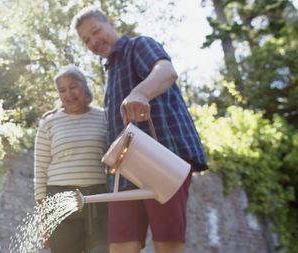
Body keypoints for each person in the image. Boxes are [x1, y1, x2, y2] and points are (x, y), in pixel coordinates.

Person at [71, 7, 209, 253]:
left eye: (95, 31)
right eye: (86, 40)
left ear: (110, 23)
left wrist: (140, 92)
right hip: (125, 172)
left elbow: (166, 71)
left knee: (167, 244)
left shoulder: (139, 45)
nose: (93, 41)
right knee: (120, 247)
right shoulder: (110, 74)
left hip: (163, 157)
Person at [34, 65, 109, 253]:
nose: (69, 94)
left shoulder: (104, 117)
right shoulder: (49, 123)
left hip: (99, 199)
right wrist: (45, 219)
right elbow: (40, 172)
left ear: (85, 86)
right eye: (62, 90)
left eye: (73, 86)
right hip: (60, 200)